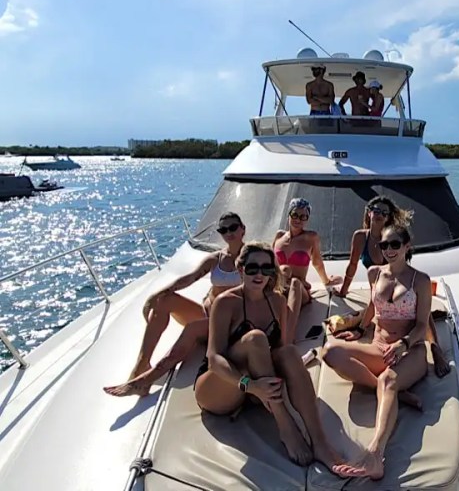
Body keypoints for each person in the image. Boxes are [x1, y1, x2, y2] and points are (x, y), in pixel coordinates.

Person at [194, 243, 351, 474]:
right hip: (221, 387)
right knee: (256, 338)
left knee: (288, 352)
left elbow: (280, 349)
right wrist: (248, 384)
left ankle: (320, 443)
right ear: (240, 269)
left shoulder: (277, 301)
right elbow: (213, 357)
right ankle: (286, 426)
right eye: (253, 268)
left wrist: (292, 369)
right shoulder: (226, 303)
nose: (260, 274)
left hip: (258, 388)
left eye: (267, 269)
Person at [322, 224, 432, 480]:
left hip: (410, 350)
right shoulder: (374, 273)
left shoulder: (421, 280)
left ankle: (375, 454)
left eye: (395, 244)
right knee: (330, 352)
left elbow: (422, 325)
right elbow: (372, 307)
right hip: (378, 346)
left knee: (388, 379)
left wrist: (404, 344)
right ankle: (395, 395)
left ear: (407, 246)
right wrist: (359, 330)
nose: (389, 250)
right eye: (384, 245)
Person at [103, 213, 246, 396]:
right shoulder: (216, 258)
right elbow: (189, 278)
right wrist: (157, 295)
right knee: (164, 301)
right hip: (207, 314)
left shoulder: (251, 259)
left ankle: (147, 379)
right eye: (223, 229)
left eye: (233, 227)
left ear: (243, 229)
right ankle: (142, 364)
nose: (229, 232)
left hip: (228, 323)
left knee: (192, 329)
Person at [335, 196, 450, 377]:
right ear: (368, 212)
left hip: (403, 287)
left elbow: (404, 270)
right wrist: (343, 291)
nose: (379, 214)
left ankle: (435, 349)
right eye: (376, 210)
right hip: (381, 290)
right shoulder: (360, 237)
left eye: (384, 212)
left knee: (418, 307)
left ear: (389, 217)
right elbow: (352, 265)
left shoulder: (392, 237)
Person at [273, 198, 342, 342]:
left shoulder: (311, 237)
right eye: (295, 215)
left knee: (294, 282)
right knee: (284, 271)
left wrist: (327, 281)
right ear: (289, 215)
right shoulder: (279, 236)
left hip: (299, 289)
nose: (299, 219)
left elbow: (317, 262)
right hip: (277, 287)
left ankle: (288, 336)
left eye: (304, 216)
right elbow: (269, 262)